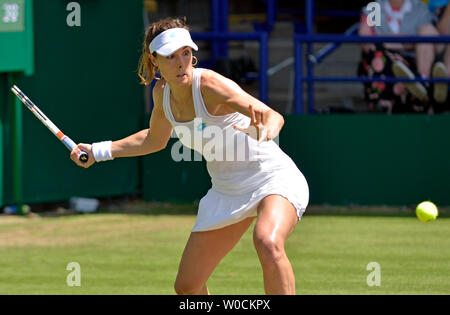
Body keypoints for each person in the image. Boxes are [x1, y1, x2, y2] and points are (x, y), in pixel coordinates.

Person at [70, 17, 309, 295]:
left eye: (186, 53)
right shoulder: (162, 94)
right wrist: (97, 151)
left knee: (267, 242)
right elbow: (154, 139)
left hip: (271, 178)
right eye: (170, 56)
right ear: (154, 60)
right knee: (187, 287)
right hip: (226, 191)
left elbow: (272, 115)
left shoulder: (209, 84)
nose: (181, 62)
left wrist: (266, 129)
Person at [358, 0, 448, 113]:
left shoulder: (419, 8)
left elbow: (426, 39)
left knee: (427, 34)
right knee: (379, 58)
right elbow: (366, 42)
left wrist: (386, 40)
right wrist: (406, 41)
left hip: (412, 63)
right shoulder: (374, 8)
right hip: (383, 63)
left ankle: (422, 83)